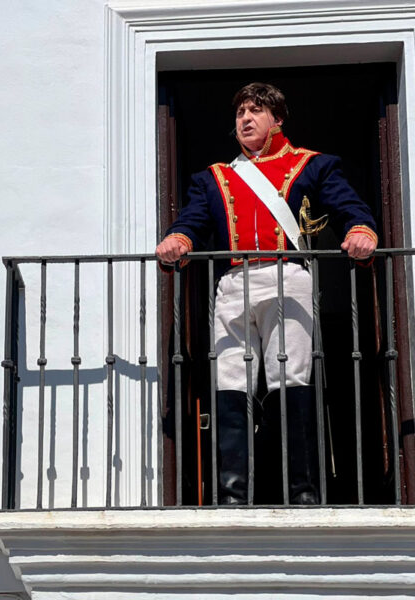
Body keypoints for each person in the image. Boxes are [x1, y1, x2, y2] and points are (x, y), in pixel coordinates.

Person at [155, 82, 377, 504]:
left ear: (277, 120)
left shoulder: (312, 164)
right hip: (233, 282)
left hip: (286, 278)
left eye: (255, 111)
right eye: (240, 112)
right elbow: (193, 221)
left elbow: (349, 206)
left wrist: (359, 231)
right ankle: (233, 494)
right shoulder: (214, 178)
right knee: (230, 382)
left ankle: (303, 492)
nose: (245, 119)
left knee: (290, 378)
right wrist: (178, 240)